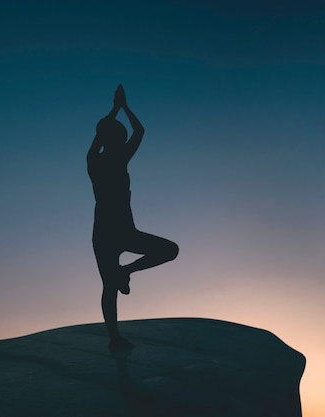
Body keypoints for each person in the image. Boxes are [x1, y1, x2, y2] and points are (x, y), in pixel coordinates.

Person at [87, 84, 179, 352]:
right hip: (112, 233)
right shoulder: (112, 158)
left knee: (112, 284)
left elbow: (115, 134)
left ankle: (123, 272)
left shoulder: (96, 159)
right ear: (113, 140)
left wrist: (116, 109)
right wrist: (122, 107)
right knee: (110, 286)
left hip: (113, 232)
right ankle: (115, 337)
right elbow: (139, 131)